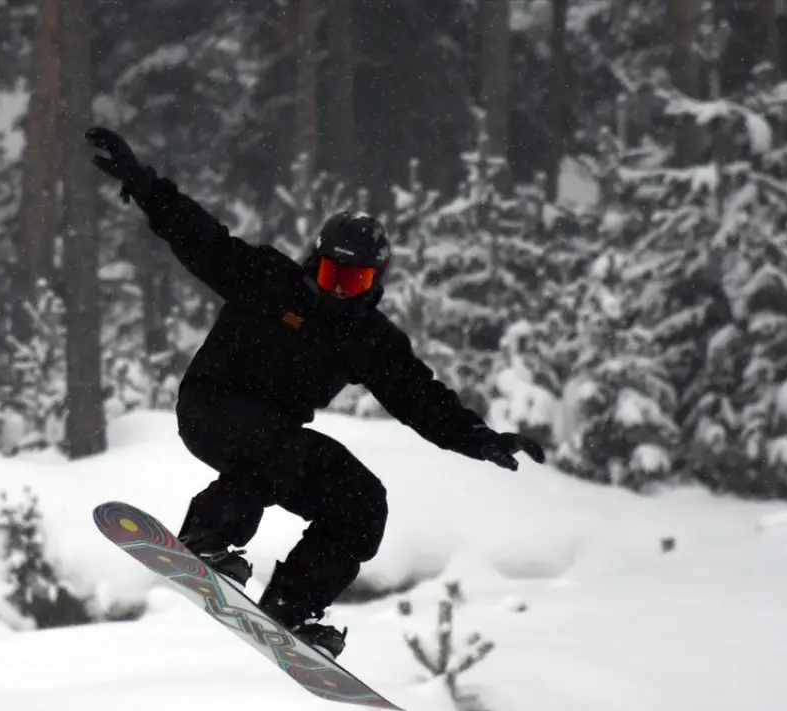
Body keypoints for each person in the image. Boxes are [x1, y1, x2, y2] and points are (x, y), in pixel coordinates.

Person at [86, 126, 544, 659]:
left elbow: (422, 399)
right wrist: (145, 185)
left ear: (374, 283)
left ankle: (293, 606)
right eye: (329, 274)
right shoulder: (267, 279)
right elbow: (200, 239)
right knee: (276, 445)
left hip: (274, 442)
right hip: (212, 407)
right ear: (313, 263)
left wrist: (481, 439)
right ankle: (206, 537)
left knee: (361, 501)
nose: (335, 290)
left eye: (350, 283)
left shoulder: (369, 339)